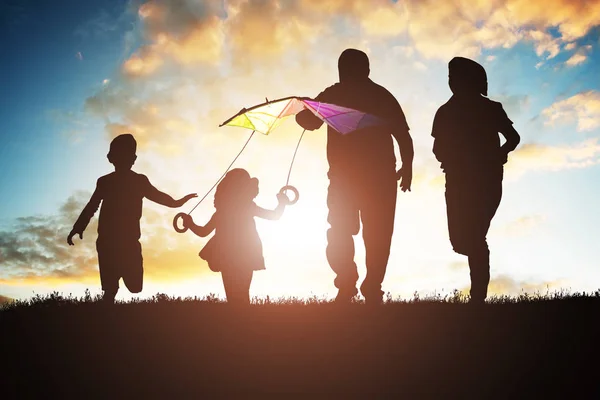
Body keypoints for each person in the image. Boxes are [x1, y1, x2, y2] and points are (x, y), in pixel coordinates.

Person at [295, 48, 414, 304]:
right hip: (359, 177)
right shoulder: (367, 94)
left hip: (364, 177)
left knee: (366, 233)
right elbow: (310, 121)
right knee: (362, 232)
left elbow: (402, 134)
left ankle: (361, 286)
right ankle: (355, 284)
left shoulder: (336, 93)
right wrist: (407, 167)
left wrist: (408, 166)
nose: (344, 73)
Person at [431, 57, 521, 303]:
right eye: (450, 78)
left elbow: (513, 137)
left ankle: (478, 297)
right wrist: (448, 156)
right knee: (460, 241)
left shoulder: (492, 108)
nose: (452, 82)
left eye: (457, 77)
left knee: (475, 236)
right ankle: (478, 293)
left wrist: (499, 154)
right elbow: (437, 147)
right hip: (457, 181)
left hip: (487, 179)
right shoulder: (445, 111)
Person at [67, 134, 197, 303]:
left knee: (136, 287)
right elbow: (92, 206)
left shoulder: (139, 181)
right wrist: (79, 226)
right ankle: (107, 309)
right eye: (118, 154)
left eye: (127, 155)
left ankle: (120, 276)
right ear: (111, 158)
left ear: (133, 159)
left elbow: (158, 196)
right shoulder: (104, 182)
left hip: (129, 241)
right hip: (107, 241)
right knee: (110, 288)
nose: (124, 159)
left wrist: (178, 202)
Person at [180, 168, 288, 304]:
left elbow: (203, 232)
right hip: (245, 254)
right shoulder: (247, 207)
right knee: (243, 293)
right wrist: (282, 203)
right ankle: (243, 321)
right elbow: (274, 215)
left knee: (232, 295)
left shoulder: (222, 212)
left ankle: (236, 320)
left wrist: (190, 224)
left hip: (227, 255)